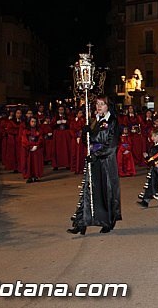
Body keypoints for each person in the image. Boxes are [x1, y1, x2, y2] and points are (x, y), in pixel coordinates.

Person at [67, 96, 122, 235]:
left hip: (106, 161)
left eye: (102, 104)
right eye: (97, 104)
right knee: (88, 190)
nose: (99, 107)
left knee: (106, 191)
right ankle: (81, 222)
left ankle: (108, 221)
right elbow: (88, 142)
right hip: (93, 159)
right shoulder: (93, 121)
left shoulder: (113, 122)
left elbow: (112, 145)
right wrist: (86, 133)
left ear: (108, 106)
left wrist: (97, 154)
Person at [137, 128, 158, 208]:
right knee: (151, 184)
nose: (152, 138)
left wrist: (148, 159)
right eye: (152, 136)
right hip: (154, 168)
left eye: (154, 136)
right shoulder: (154, 146)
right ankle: (145, 201)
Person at [21, 117, 44, 183]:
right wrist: (30, 146)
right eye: (32, 121)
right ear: (29, 122)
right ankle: (29, 177)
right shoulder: (25, 130)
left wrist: (36, 145)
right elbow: (24, 140)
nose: (33, 123)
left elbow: (41, 139)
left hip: (36, 149)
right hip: (28, 150)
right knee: (29, 163)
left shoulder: (39, 130)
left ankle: (36, 176)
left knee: (36, 163)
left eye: (35, 122)